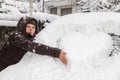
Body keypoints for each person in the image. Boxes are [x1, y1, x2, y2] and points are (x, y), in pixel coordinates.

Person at [0, 16, 67, 72]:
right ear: (22, 26)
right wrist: (56, 52)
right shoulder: (16, 36)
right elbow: (33, 47)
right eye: (28, 26)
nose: (31, 29)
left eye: (33, 27)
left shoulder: (30, 39)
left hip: (10, 71)